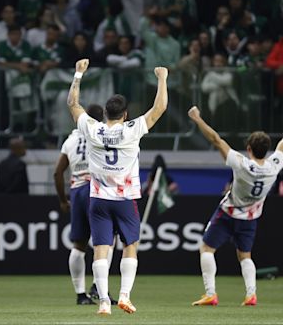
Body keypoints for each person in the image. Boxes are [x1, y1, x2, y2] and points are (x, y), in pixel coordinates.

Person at [67, 59, 168, 315]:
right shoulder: (132, 130)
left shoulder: (93, 129)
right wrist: (162, 78)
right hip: (125, 200)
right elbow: (159, 108)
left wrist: (78, 74)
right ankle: (124, 295)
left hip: (98, 199)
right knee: (130, 247)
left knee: (101, 249)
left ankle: (102, 302)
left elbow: (72, 104)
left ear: (104, 114)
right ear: (125, 115)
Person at [187, 106, 283, 306]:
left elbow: (216, 140)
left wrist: (197, 119)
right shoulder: (275, 165)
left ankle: (211, 293)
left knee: (206, 248)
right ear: (267, 150)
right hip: (251, 217)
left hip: (228, 213)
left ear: (248, 149)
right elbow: (281, 146)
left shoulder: (242, 164)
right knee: (245, 255)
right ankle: (251, 294)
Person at [54, 104, 116, 306]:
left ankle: (81, 295)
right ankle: (99, 288)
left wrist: (63, 200)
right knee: (107, 241)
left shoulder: (70, 140)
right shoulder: (100, 133)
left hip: (77, 190)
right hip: (96, 188)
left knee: (79, 245)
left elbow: (58, 173)